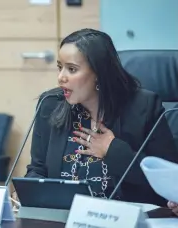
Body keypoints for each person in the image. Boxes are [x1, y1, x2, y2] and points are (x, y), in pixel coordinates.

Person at [23, 28, 178, 206]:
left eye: (71, 69)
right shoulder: (50, 104)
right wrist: (29, 191)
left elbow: (168, 181)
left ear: (99, 73)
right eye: (60, 68)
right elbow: (37, 169)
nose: (61, 78)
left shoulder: (143, 107)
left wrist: (113, 151)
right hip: (61, 218)